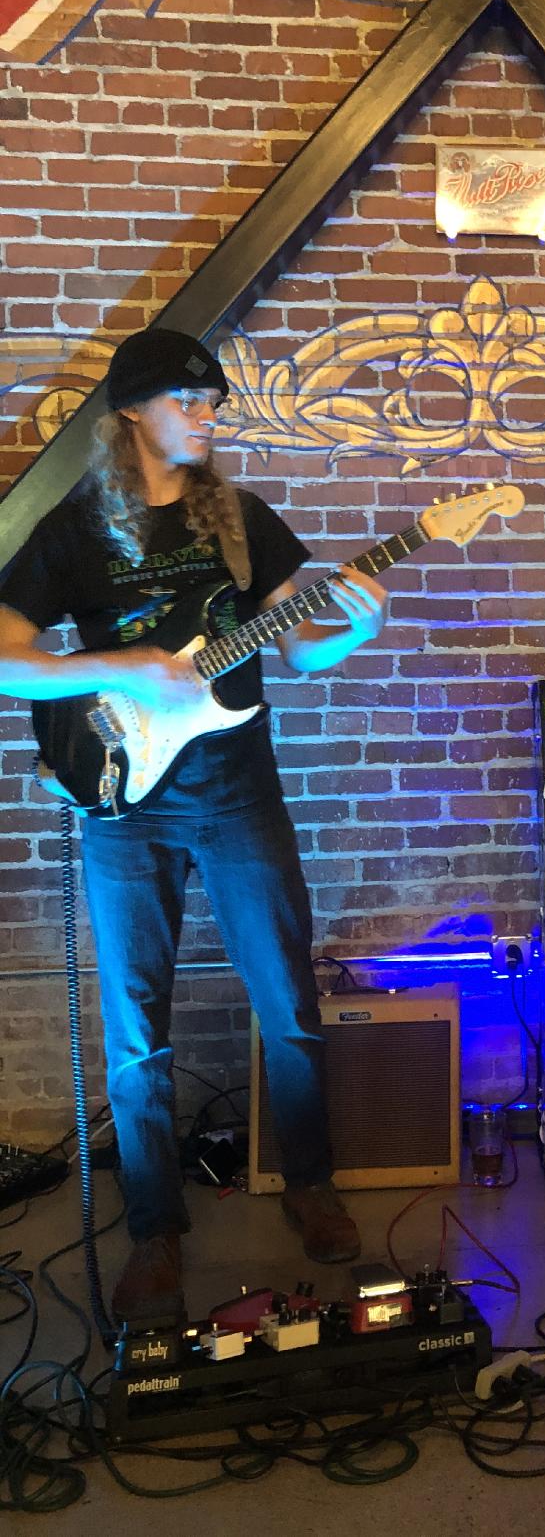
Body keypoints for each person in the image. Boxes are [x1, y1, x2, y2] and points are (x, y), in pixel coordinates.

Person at [0, 326, 389, 1324]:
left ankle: (310, 1182)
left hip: (238, 791)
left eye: (215, 403)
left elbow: (300, 650)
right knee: (137, 1030)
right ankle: (155, 1229)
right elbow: (6, 656)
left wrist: (356, 625)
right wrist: (121, 667)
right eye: (190, 400)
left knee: (288, 999)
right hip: (123, 801)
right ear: (132, 411)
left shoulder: (240, 520)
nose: (209, 415)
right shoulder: (78, 529)